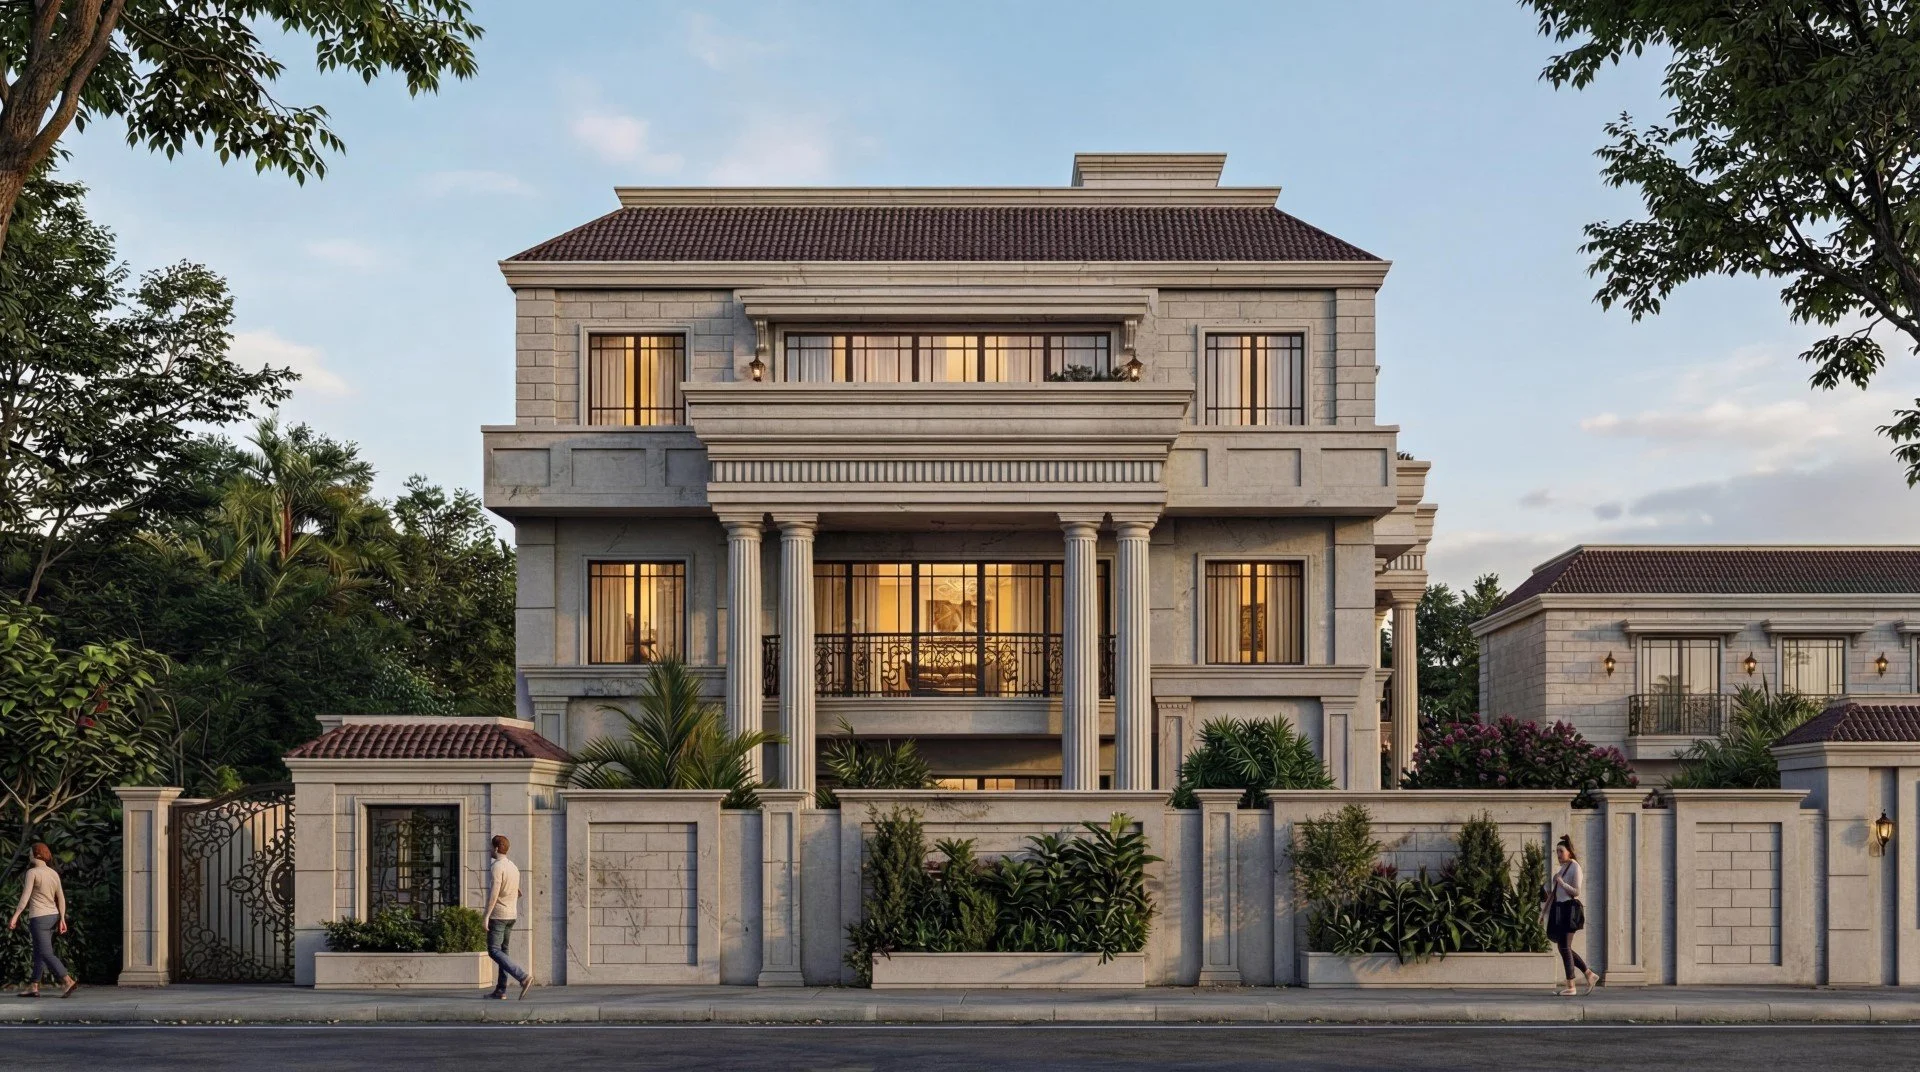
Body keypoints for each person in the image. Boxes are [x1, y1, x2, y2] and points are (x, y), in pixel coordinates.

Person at [8, 843, 78, 998]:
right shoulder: (53, 873)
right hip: (53, 916)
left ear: (36, 854)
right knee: (39, 951)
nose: (29, 855)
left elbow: (25, 897)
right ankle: (34, 986)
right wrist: (62, 918)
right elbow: (61, 897)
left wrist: (15, 916)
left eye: (30, 853)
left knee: (46, 952)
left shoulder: (32, 873)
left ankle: (67, 980)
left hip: (39, 918)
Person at [1543, 835, 1598, 996]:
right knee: (1563, 947)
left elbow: (1576, 892)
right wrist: (1544, 912)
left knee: (1565, 947)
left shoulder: (1575, 867)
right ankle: (1589, 974)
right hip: (1560, 910)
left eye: (1561, 851)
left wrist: (1561, 882)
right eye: (1556, 852)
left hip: (1570, 910)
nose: (1558, 855)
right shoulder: (1563, 868)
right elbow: (1555, 895)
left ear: (1569, 852)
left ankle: (1572, 986)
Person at [482, 834, 532, 1000]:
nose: (490, 850)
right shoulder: (513, 867)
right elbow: (518, 891)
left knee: (494, 950)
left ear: (496, 848)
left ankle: (522, 976)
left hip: (499, 915)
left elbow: (494, 893)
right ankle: (501, 990)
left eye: (491, 847)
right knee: (503, 951)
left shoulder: (497, 866)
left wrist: (486, 916)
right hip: (512, 915)